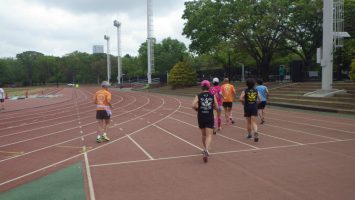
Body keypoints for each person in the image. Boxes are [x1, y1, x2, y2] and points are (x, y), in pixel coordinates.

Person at [192, 80, 218, 163]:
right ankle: (206, 149)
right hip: (209, 116)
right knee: (209, 135)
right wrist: (212, 107)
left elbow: (193, 105)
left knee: (203, 134)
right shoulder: (212, 95)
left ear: (201, 87)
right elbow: (217, 107)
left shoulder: (198, 96)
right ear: (209, 87)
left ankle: (205, 149)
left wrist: (198, 108)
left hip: (201, 116)